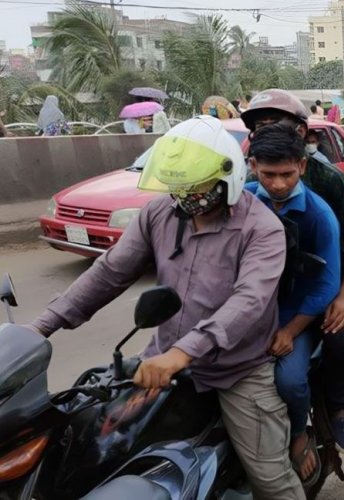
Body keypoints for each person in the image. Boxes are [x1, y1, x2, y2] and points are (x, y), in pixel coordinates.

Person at [29, 116, 304, 499]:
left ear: (229, 176)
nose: (186, 196)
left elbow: (248, 302)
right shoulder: (159, 214)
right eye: (179, 186)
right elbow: (109, 272)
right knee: (96, 445)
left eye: (196, 186)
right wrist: (39, 328)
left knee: (271, 479)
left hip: (236, 369)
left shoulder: (262, 229)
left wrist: (182, 353)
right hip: (161, 359)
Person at [246, 123, 344, 486]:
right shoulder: (242, 203)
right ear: (252, 167)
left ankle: (298, 433)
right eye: (268, 175)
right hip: (251, 312)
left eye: (286, 174)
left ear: (302, 167)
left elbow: (326, 285)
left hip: (299, 314)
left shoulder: (319, 215)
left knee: (291, 381)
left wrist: (290, 331)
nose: (278, 184)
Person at [241, 89, 344, 338]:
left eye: (275, 125)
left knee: (336, 345)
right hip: (270, 287)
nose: (277, 184)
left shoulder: (330, 179)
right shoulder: (250, 184)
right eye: (260, 127)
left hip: (326, 281)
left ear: (300, 132)